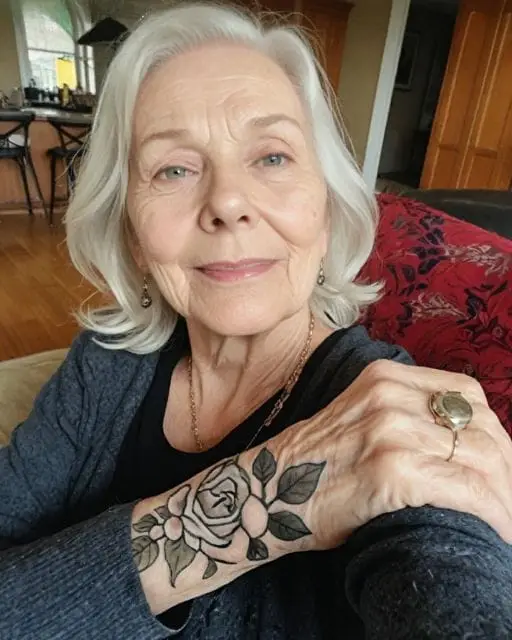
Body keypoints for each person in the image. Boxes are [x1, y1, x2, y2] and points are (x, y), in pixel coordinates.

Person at [1, 3, 512, 639]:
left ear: (327, 210)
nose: (227, 202)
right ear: (132, 232)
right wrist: (262, 497)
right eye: (174, 168)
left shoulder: (386, 419)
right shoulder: (105, 362)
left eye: (271, 157)